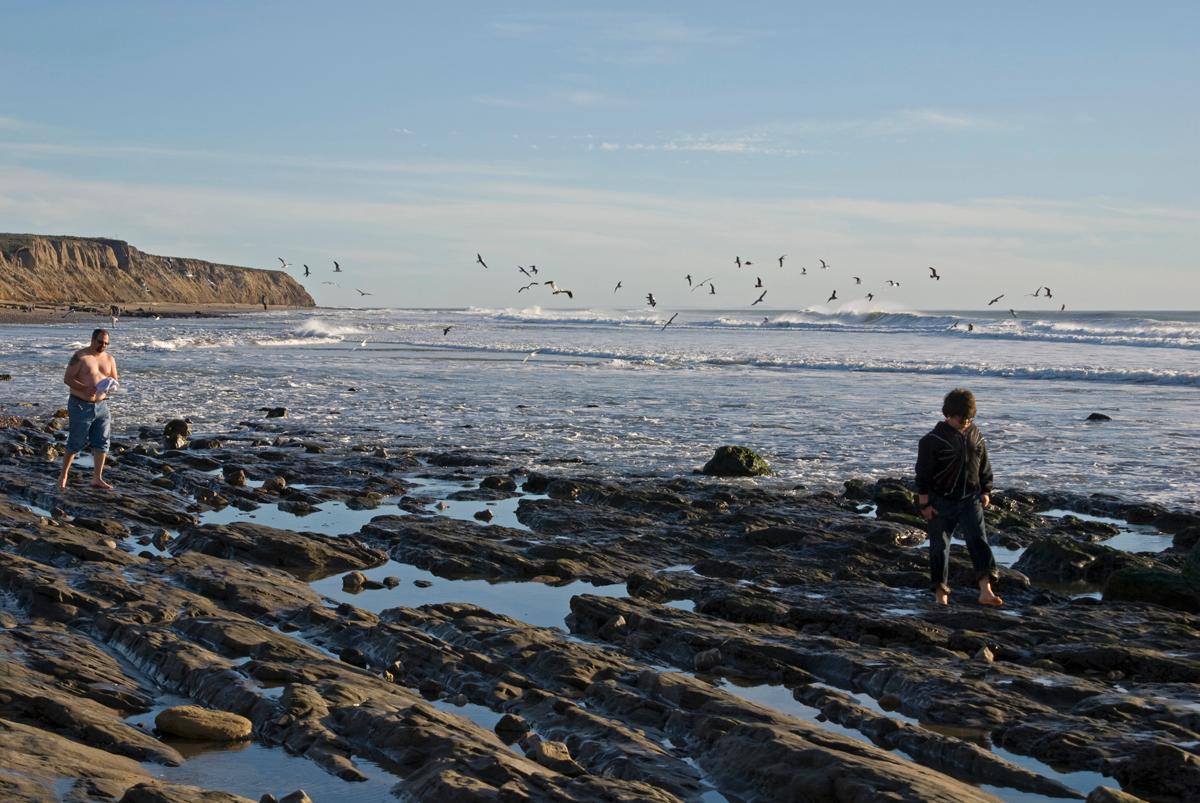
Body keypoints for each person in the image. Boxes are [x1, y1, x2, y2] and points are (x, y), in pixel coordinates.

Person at [915, 388, 1002, 607]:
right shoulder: (931, 441)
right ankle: (940, 596)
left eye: (969, 418)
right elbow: (923, 474)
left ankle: (985, 591)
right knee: (939, 547)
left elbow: (983, 464)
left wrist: (986, 490)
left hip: (970, 499)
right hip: (940, 501)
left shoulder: (976, 434)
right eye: (961, 418)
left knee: (979, 542)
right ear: (948, 415)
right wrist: (924, 503)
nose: (965, 422)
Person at [58, 328, 119, 490]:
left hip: (102, 405)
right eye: (100, 342)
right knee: (76, 441)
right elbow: (67, 379)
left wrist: (110, 385)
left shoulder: (109, 358)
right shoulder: (81, 357)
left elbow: (114, 378)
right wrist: (85, 388)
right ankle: (63, 476)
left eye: (106, 343)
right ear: (92, 340)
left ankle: (97, 478)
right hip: (80, 404)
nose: (103, 345)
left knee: (102, 441)